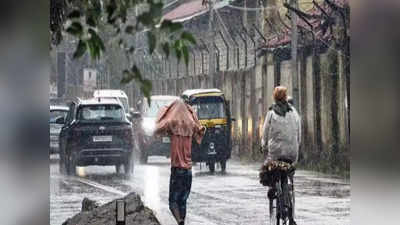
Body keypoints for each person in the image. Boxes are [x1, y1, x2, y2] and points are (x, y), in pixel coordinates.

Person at [154, 99, 206, 225]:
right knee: (183, 201)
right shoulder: (191, 123)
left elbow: (158, 128)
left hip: (177, 168)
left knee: (173, 202)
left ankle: (180, 222)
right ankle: (182, 221)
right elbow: (200, 132)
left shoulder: (172, 122)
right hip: (188, 170)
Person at [261, 86, 301, 225]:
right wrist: (296, 147)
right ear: (285, 97)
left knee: (269, 167)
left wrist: (263, 145)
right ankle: (290, 212)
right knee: (288, 173)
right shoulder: (294, 112)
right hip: (292, 152)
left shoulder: (271, 113)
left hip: (276, 152)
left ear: (274, 97)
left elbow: (265, 133)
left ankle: (273, 187)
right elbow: (299, 133)